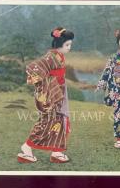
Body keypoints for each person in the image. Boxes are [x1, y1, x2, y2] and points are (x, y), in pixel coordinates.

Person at [17, 27, 73, 163]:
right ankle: (27, 147)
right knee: (47, 121)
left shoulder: (59, 56)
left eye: (70, 45)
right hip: (51, 94)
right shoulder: (50, 56)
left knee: (59, 120)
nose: (69, 47)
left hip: (59, 92)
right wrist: (49, 83)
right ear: (59, 44)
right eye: (67, 45)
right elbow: (34, 67)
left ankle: (57, 152)